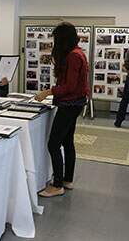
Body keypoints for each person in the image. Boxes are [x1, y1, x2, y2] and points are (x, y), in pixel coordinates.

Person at [35, 22, 89, 197]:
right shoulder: (78, 53)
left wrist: (48, 92)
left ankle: (57, 184)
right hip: (75, 103)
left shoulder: (73, 56)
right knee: (67, 141)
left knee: (53, 143)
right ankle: (67, 179)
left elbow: (69, 86)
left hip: (69, 104)